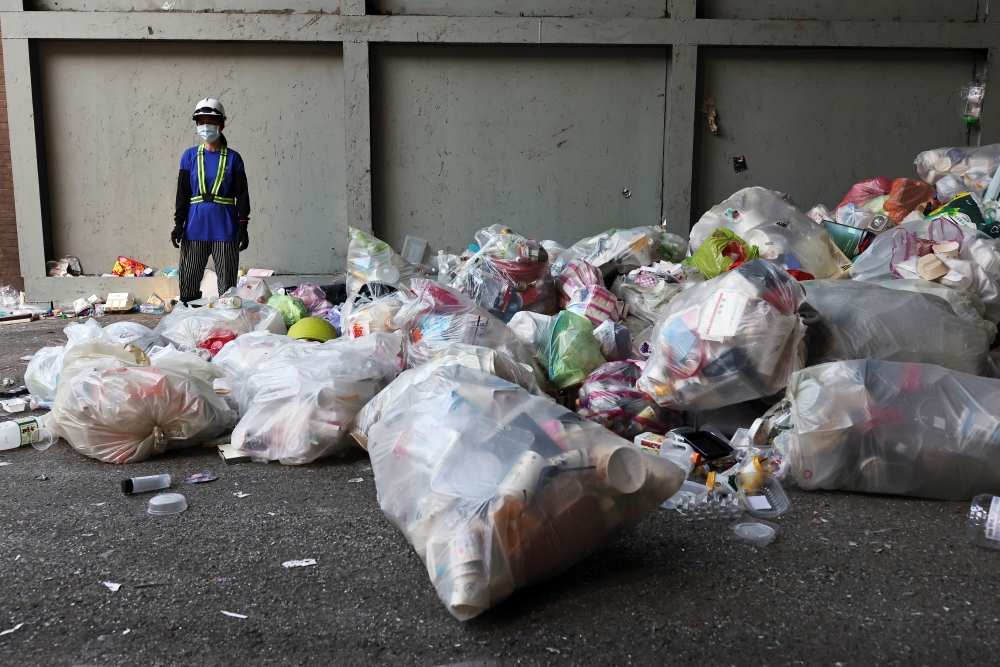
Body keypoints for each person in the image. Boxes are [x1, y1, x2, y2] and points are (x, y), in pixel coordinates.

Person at [171, 98, 250, 303]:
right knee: (188, 284)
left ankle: (225, 326)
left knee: (227, 290)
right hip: (195, 227)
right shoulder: (189, 156)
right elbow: (183, 193)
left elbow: (242, 195)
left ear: (221, 125)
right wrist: (179, 224)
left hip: (225, 229)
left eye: (211, 121)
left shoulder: (234, 158)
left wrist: (243, 224)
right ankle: (190, 324)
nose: (206, 126)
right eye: (200, 121)